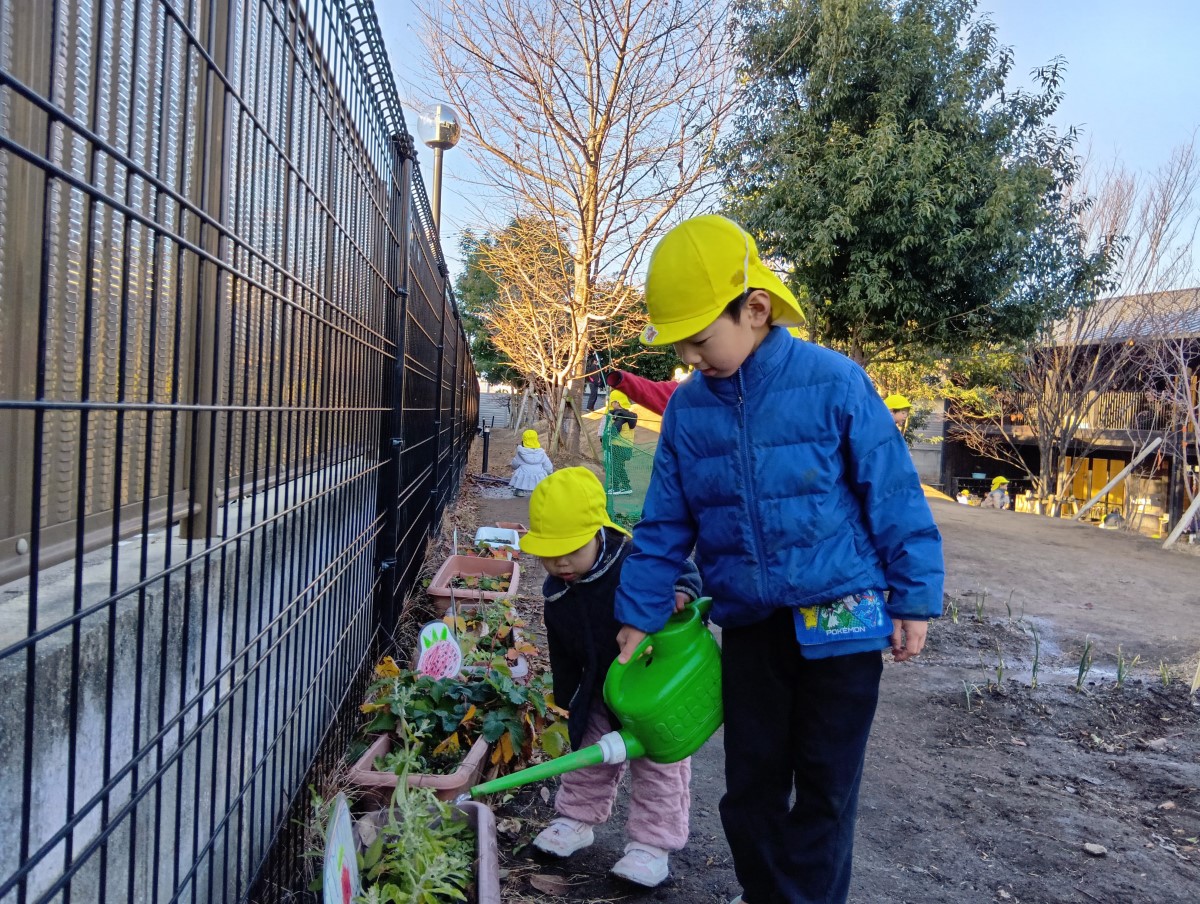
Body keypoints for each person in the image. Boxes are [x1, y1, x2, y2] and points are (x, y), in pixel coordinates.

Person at [611, 215, 945, 904]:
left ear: (755, 309)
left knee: (825, 790)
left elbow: (891, 488)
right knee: (751, 793)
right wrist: (639, 613)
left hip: (845, 621)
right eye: (683, 346)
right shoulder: (686, 414)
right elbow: (665, 522)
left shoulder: (834, 381)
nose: (692, 359)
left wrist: (914, 595)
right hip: (754, 628)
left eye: (702, 340)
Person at [520, 467, 702, 887]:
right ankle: (575, 822)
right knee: (587, 757)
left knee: (661, 769)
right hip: (603, 690)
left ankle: (651, 848)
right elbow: (562, 651)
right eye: (549, 553)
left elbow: (682, 569)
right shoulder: (559, 592)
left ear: (599, 532)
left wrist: (680, 594)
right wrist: (570, 698)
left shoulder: (635, 560)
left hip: (657, 691)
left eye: (571, 549)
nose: (560, 562)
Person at [599, 390, 637, 495]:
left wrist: (606, 437)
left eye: (612, 401)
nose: (611, 404)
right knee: (619, 466)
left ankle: (616, 487)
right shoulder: (628, 414)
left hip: (618, 446)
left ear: (617, 402)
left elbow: (615, 430)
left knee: (615, 467)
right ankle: (626, 486)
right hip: (627, 446)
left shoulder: (619, 416)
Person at [509, 429, 554, 497]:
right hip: (539, 475)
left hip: (524, 474)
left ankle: (520, 491)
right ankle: (537, 491)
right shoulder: (541, 453)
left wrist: (514, 468)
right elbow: (548, 466)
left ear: (523, 439)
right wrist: (549, 472)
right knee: (540, 477)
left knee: (520, 474)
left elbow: (515, 464)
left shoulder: (521, 452)